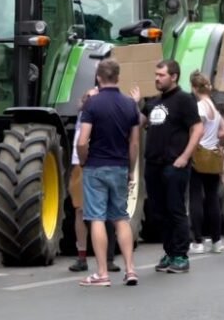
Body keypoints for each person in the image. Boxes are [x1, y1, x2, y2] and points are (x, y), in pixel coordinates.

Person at [77, 59, 141, 287]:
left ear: (99, 78)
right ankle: (130, 270)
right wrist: (130, 169)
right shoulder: (130, 105)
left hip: (95, 166)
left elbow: (82, 141)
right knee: (121, 218)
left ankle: (102, 273)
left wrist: (83, 160)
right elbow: (134, 143)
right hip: (120, 166)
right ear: (118, 77)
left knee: (97, 218)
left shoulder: (92, 104)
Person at [143, 60, 203, 273]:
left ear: (174, 76)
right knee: (159, 212)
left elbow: (198, 129)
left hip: (174, 164)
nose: (157, 78)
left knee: (175, 210)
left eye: (161, 75)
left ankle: (180, 255)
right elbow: (140, 122)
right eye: (156, 74)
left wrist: (185, 156)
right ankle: (169, 252)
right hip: (153, 165)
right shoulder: (154, 101)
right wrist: (133, 104)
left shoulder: (184, 100)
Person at [68, 87, 120, 274]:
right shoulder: (84, 112)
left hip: (102, 162)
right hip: (81, 164)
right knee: (80, 211)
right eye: (88, 99)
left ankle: (109, 258)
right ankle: (82, 256)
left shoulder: (108, 112)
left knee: (108, 211)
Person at [187, 71, 224, 255]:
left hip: (199, 154)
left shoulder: (199, 107)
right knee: (212, 198)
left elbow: (197, 131)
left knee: (196, 197)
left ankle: (198, 240)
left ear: (194, 88)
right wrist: (217, 141)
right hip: (213, 156)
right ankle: (216, 240)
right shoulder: (213, 107)